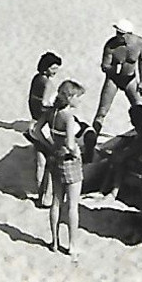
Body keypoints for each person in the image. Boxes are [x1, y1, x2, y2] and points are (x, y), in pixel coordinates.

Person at [45, 79, 88, 260]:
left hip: (55, 158)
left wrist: (51, 145)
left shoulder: (52, 113)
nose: (79, 100)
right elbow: (71, 143)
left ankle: (54, 241)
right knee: (72, 206)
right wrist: (77, 152)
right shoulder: (68, 117)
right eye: (77, 97)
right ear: (70, 97)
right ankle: (72, 245)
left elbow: (36, 130)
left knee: (56, 201)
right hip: (69, 162)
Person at [93, 19, 142, 134]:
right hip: (113, 79)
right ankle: (92, 138)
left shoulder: (139, 43)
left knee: (140, 111)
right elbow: (104, 65)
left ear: (129, 35)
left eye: (121, 34)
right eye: (117, 33)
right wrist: (113, 68)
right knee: (102, 111)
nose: (118, 36)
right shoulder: (111, 46)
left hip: (130, 79)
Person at [27, 52, 63, 207]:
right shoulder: (49, 84)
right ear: (47, 67)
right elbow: (46, 103)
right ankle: (45, 196)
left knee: (39, 162)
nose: (56, 71)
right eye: (54, 68)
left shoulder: (36, 79)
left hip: (34, 122)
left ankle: (39, 193)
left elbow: (32, 101)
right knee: (48, 162)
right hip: (45, 125)